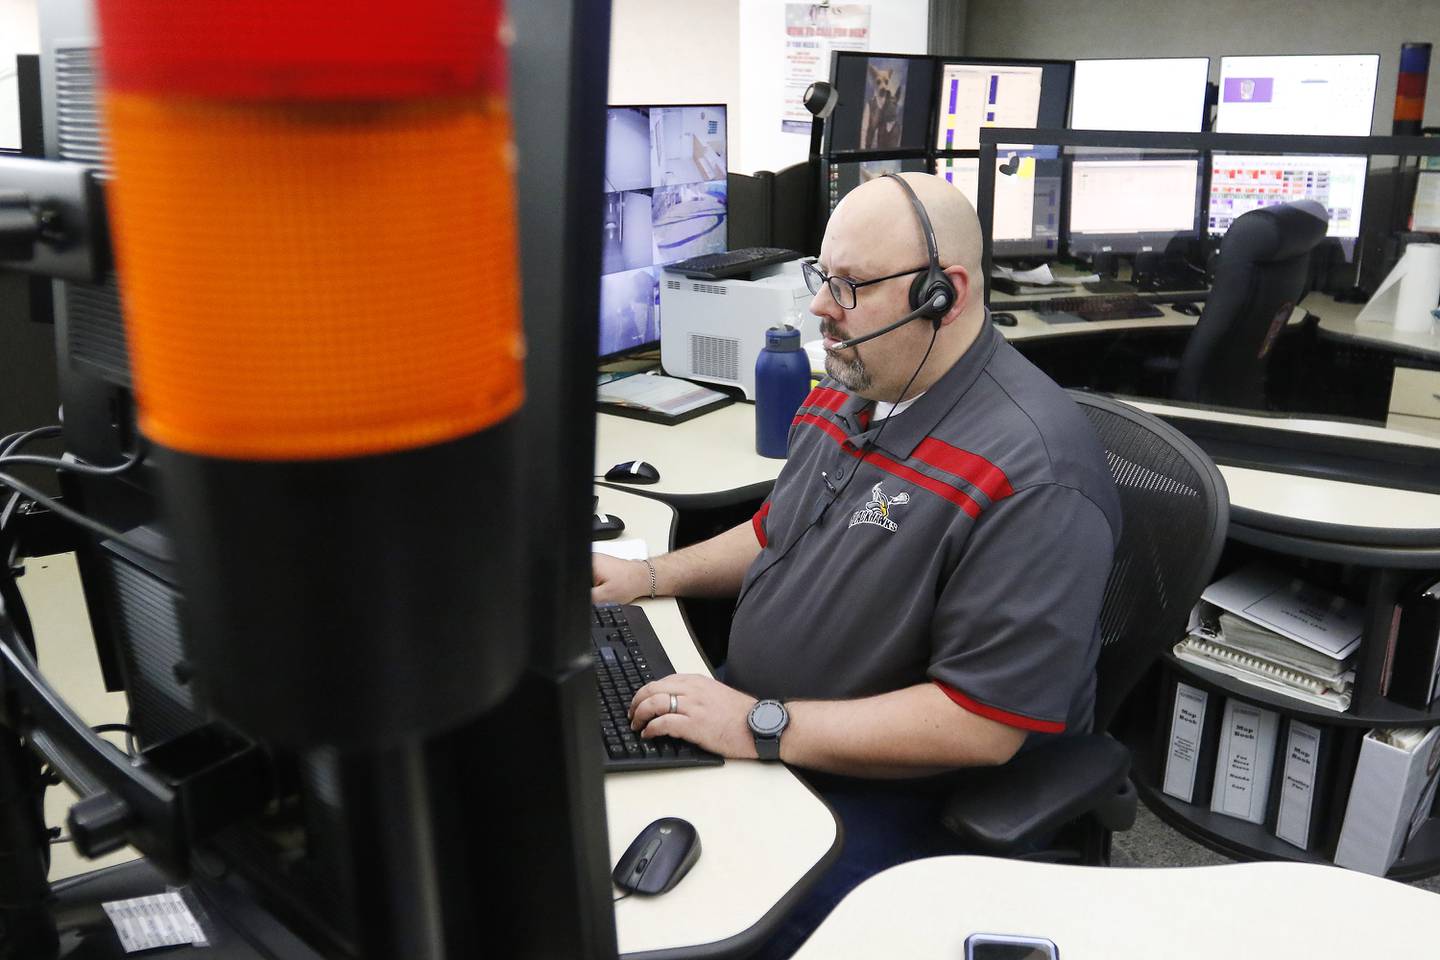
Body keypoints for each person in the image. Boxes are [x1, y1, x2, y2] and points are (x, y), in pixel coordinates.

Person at [592, 172, 1121, 956]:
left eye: (849, 286)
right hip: (767, 738)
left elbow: (980, 724)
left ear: (945, 293)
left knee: (667, 928)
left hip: (883, 796)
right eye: (821, 276)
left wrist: (758, 723)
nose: (819, 308)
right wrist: (650, 577)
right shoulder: (857, 383)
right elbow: (776, 531)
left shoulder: (1034, 476)